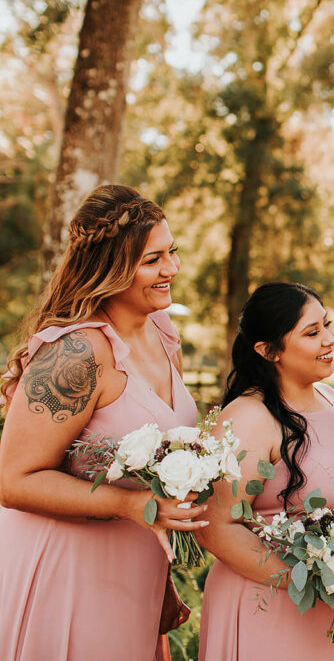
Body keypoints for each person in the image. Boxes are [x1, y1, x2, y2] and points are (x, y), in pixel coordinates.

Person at [0, 185, 204, 661]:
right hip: (67, 571)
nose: (172, 269)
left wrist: (165, 580)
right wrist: (134, 508)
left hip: (135, 573)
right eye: (153, 259)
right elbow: (12, 480)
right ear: (111, 266)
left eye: (172, 252)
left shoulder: (160, 332)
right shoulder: (77, 352)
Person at [197, 283, 334, 660]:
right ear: (269, 350)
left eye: (327, 324)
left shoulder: (329, 399)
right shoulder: (248, 417)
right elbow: (214, 527)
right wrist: (312, 580)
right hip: (269, 604)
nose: (329, 339)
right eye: (312, 333)